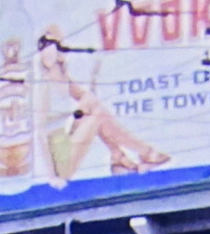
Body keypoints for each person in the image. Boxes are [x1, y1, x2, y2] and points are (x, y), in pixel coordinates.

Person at [36, 25, 170, 187]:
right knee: (96, 114)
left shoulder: (63, 78)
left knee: (95, 109)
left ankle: (119, 156)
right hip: (59, 161)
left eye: (50, 43)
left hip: (67, 141)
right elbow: (40, 133)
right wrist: (52, 177)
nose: (46, 49)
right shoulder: (43, 85)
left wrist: (93, 77)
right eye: (42, 44)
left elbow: (87, 97)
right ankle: (143, 153)